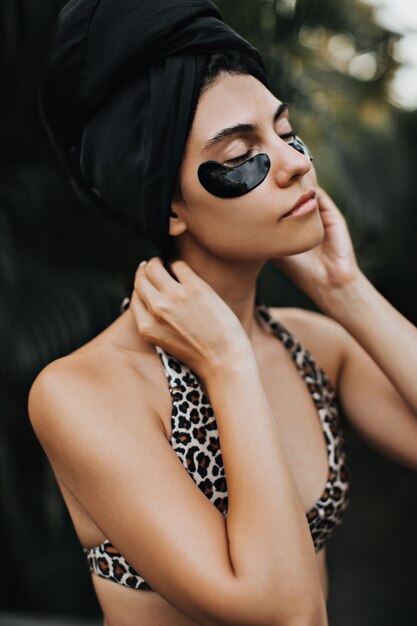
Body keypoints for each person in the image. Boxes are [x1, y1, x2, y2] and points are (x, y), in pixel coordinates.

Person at [28, 1, 417, 625]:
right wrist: (227, 364)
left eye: (286, 133)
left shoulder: (315, 345)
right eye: (242, 154)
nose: (294, 163)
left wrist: (347, 291)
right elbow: (289, 614)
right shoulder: (84, 392)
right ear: (168, 206)